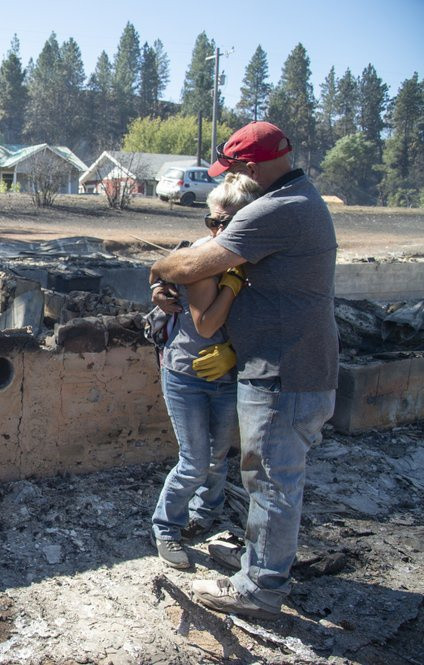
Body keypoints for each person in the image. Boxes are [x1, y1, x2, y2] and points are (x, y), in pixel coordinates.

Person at [149, 121, 338, 620]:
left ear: (250, 168)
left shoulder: (277, 208)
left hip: (284, 373)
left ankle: (259, 588)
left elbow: (190, 268)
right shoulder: (297, 199)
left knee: (271, 481)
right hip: (285, 366)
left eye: (232, 170)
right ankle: (262, 564)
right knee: (264, 478)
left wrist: (161, 269)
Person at [150, 173, 263, 570]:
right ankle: (165, 526)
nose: (216, 231)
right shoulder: (204, 256)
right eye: (211, 222)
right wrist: (232, 281)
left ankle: (206, 512)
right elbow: (205, 325)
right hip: (185, 372)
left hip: (229, 376)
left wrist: (233, 352)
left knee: (217, 455)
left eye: (226, 223)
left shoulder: (262, 260)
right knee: (195, 459)